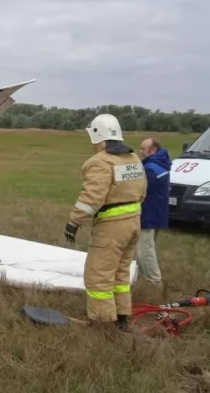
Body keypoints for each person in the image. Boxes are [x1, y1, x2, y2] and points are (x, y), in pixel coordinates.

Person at [63, 114, 147, 331]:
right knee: (120, 273)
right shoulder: (134, 159)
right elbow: (142, 192)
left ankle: (101, 325)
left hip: (112, 227)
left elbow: (92, 198)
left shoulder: (100, 162)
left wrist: (74, 222)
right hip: (134, 222)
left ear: (97, 135)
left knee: (98, 275)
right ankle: (121, 319)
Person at [136, 137, 171, 285]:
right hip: (157, 212)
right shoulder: (160, 164)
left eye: (143, 149)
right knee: (144, 248)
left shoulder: (151, 169)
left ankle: (155, 281)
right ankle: (143, 278)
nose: (140, 152)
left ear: (153, 150)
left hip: (149, 214)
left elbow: (139, 191)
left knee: (144, 250)